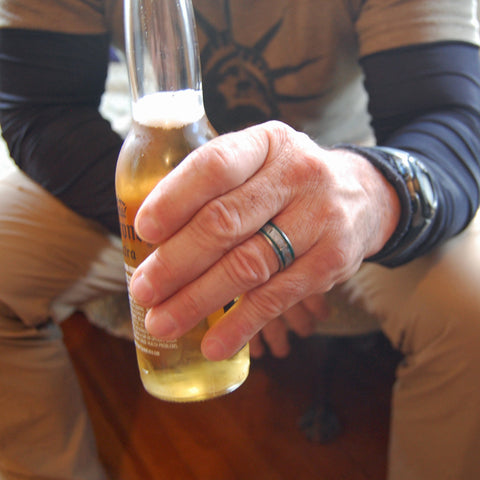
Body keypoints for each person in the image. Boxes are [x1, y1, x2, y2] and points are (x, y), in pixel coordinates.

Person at [1, 0, 480, 479]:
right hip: (137, 173)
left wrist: (367, 195)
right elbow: (41, 109)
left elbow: (453, 119)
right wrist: (226, 245)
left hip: (341, 169)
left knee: (470, 307)